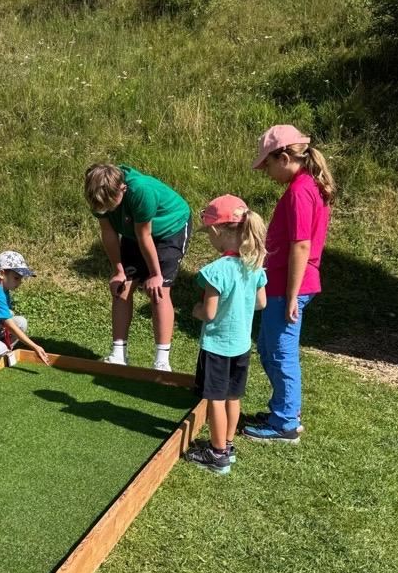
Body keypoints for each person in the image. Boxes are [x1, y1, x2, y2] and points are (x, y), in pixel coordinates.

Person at [243, 125, 334, 443]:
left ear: (283, 157)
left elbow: (301, 245)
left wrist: (292, 295)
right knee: (269, 349)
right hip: (282, 285)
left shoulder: (300, 191)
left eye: (267, 164)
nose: (267, 172)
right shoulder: (306, 185)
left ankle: (286, 423)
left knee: (281, 353)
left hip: (288, 287)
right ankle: (283, 410)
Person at [183, 195, 267, 475]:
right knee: (233, 396)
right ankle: (227, 445)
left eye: (208, 233)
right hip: (241, 344)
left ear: (217, 230)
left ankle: (217, 455)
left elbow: (209, 312)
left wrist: (195, 310)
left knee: (215, 399)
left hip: (218, 345)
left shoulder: (215, 271)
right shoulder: (254, 265)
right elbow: (261, 303)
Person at [84, 163, 192, 371]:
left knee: (159, 290)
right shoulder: (97, 192)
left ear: (123, 189)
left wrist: (155, 274)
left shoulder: (141, 191)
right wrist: (118, 271)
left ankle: (162, 361)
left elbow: (145, 235)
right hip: (135, 232)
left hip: (170, 228)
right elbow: (108, 233)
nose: (108, 209)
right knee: (121, 287)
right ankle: (119, 354)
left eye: (111, 205)